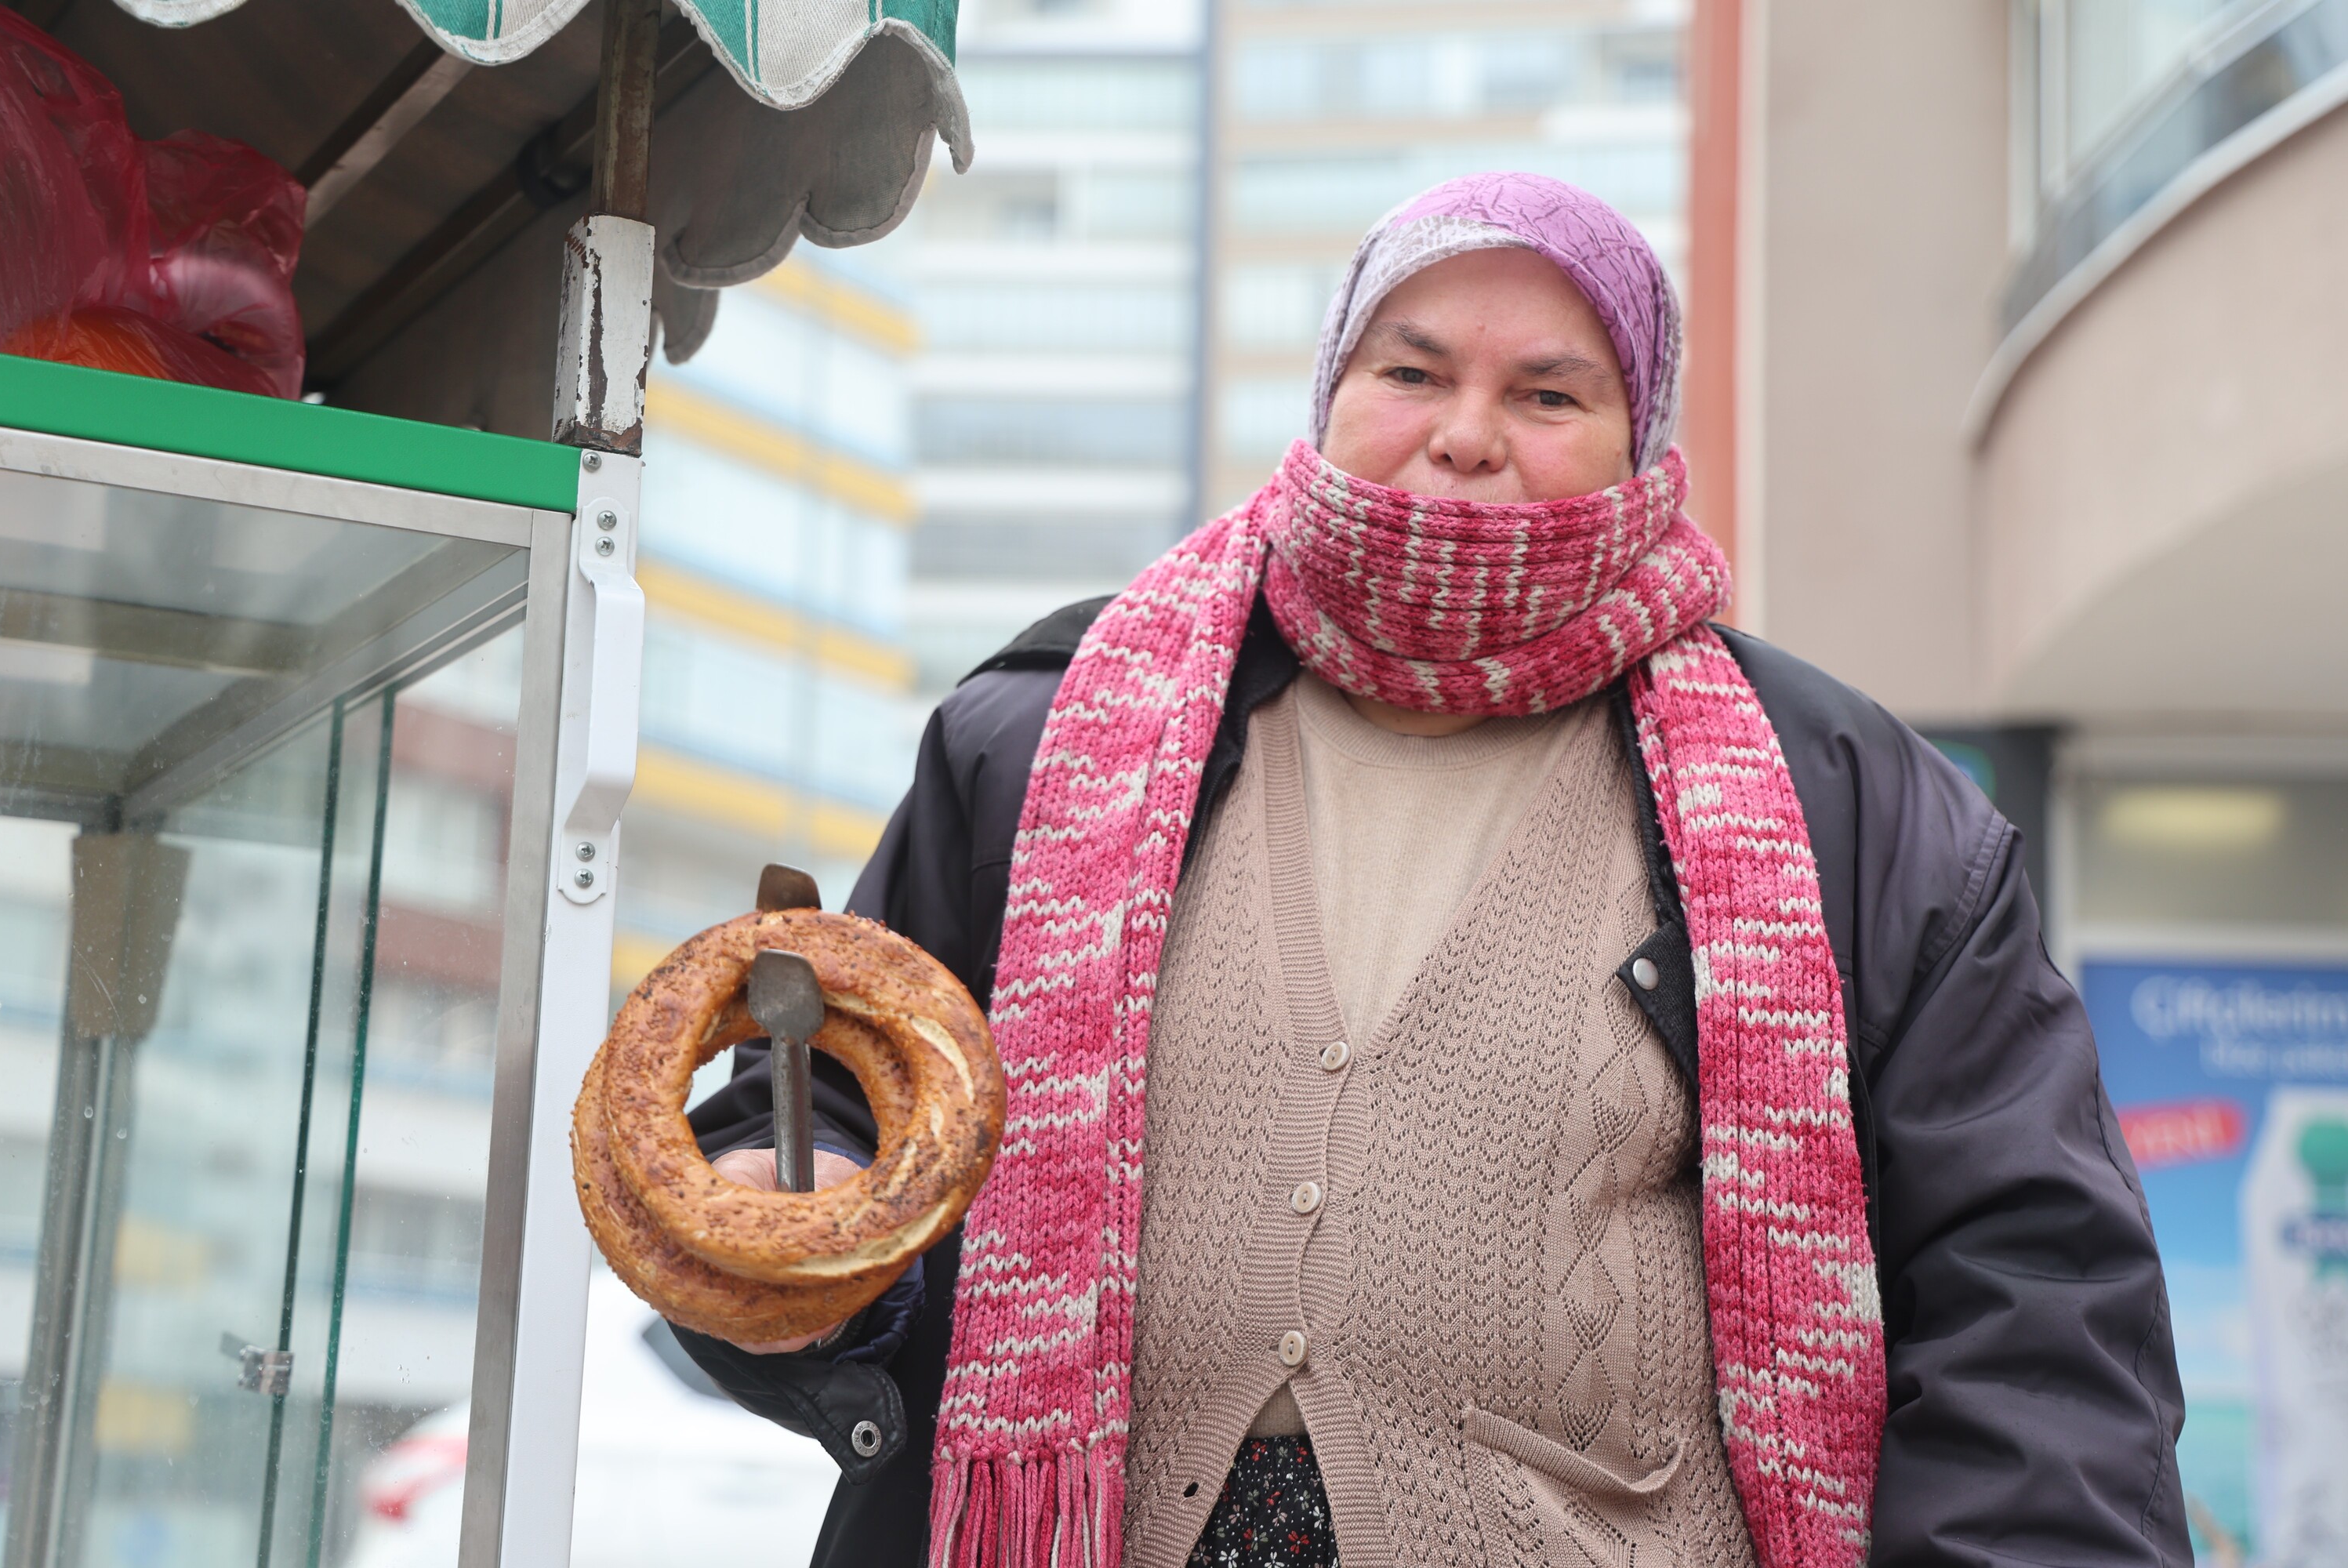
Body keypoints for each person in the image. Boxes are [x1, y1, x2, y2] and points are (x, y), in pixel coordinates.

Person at [673, 174, 2188, 1568]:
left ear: (1640, 439)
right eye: (1411, 372)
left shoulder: (1858, 817)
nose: (1467, 432)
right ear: (1331, 394)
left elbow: (2034, 1309)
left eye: (1547, 392)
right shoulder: (1048, 741)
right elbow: (831, 1117)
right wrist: (780, 1227)